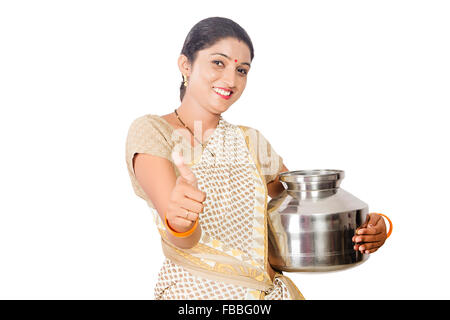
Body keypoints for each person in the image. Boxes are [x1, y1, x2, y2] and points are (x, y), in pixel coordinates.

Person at [125, 17, 389, 300]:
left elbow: (301, 213)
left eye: (242, 70)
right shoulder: (153, 130)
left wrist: (367, 226)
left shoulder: (251, 141)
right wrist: (181, 219)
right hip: (197, 294)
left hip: (271, 294)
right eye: (218, 62)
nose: (231, 79)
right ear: (185, 65)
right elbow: (185, 240)